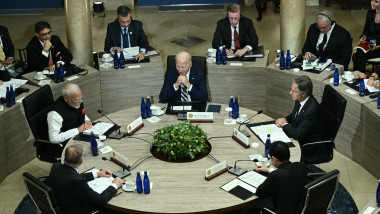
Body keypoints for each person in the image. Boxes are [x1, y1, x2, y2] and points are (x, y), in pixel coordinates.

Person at [48, 144, 124, 213]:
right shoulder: (78, 182)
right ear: (81, 161)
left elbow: (71, 176)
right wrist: (115, 185)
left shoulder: (56, 166)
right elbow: (101, 200)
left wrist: (97, 174)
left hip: (61, 203)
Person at [275, 75, 327, 159]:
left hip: (309, 146)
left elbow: (298, 135)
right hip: (301, 135)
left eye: (293, 91)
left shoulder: (312, 110)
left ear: (303, 94)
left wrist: (284, 124)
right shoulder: (300, 99)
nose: (290, 93)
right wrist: (285, 120)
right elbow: (294, 115)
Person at [252, 141, 309, 214]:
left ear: (274, 159)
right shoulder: (302, 166)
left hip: (282, 210)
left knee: (249, 208)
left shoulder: (275, 176)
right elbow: (287, 173)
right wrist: (269, 170)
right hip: (297, 207)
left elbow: (259, 192)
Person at [352, 0, 380, 73]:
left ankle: (359, 78)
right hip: (370, 44)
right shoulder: (370, 13)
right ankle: (360, 77)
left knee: (357, 56)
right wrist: (364, 36)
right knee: (357, 54)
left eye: (376, 2)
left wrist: (378, 46)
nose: (372, 3)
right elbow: (366, 30)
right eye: (372, 0)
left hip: (379, 47)